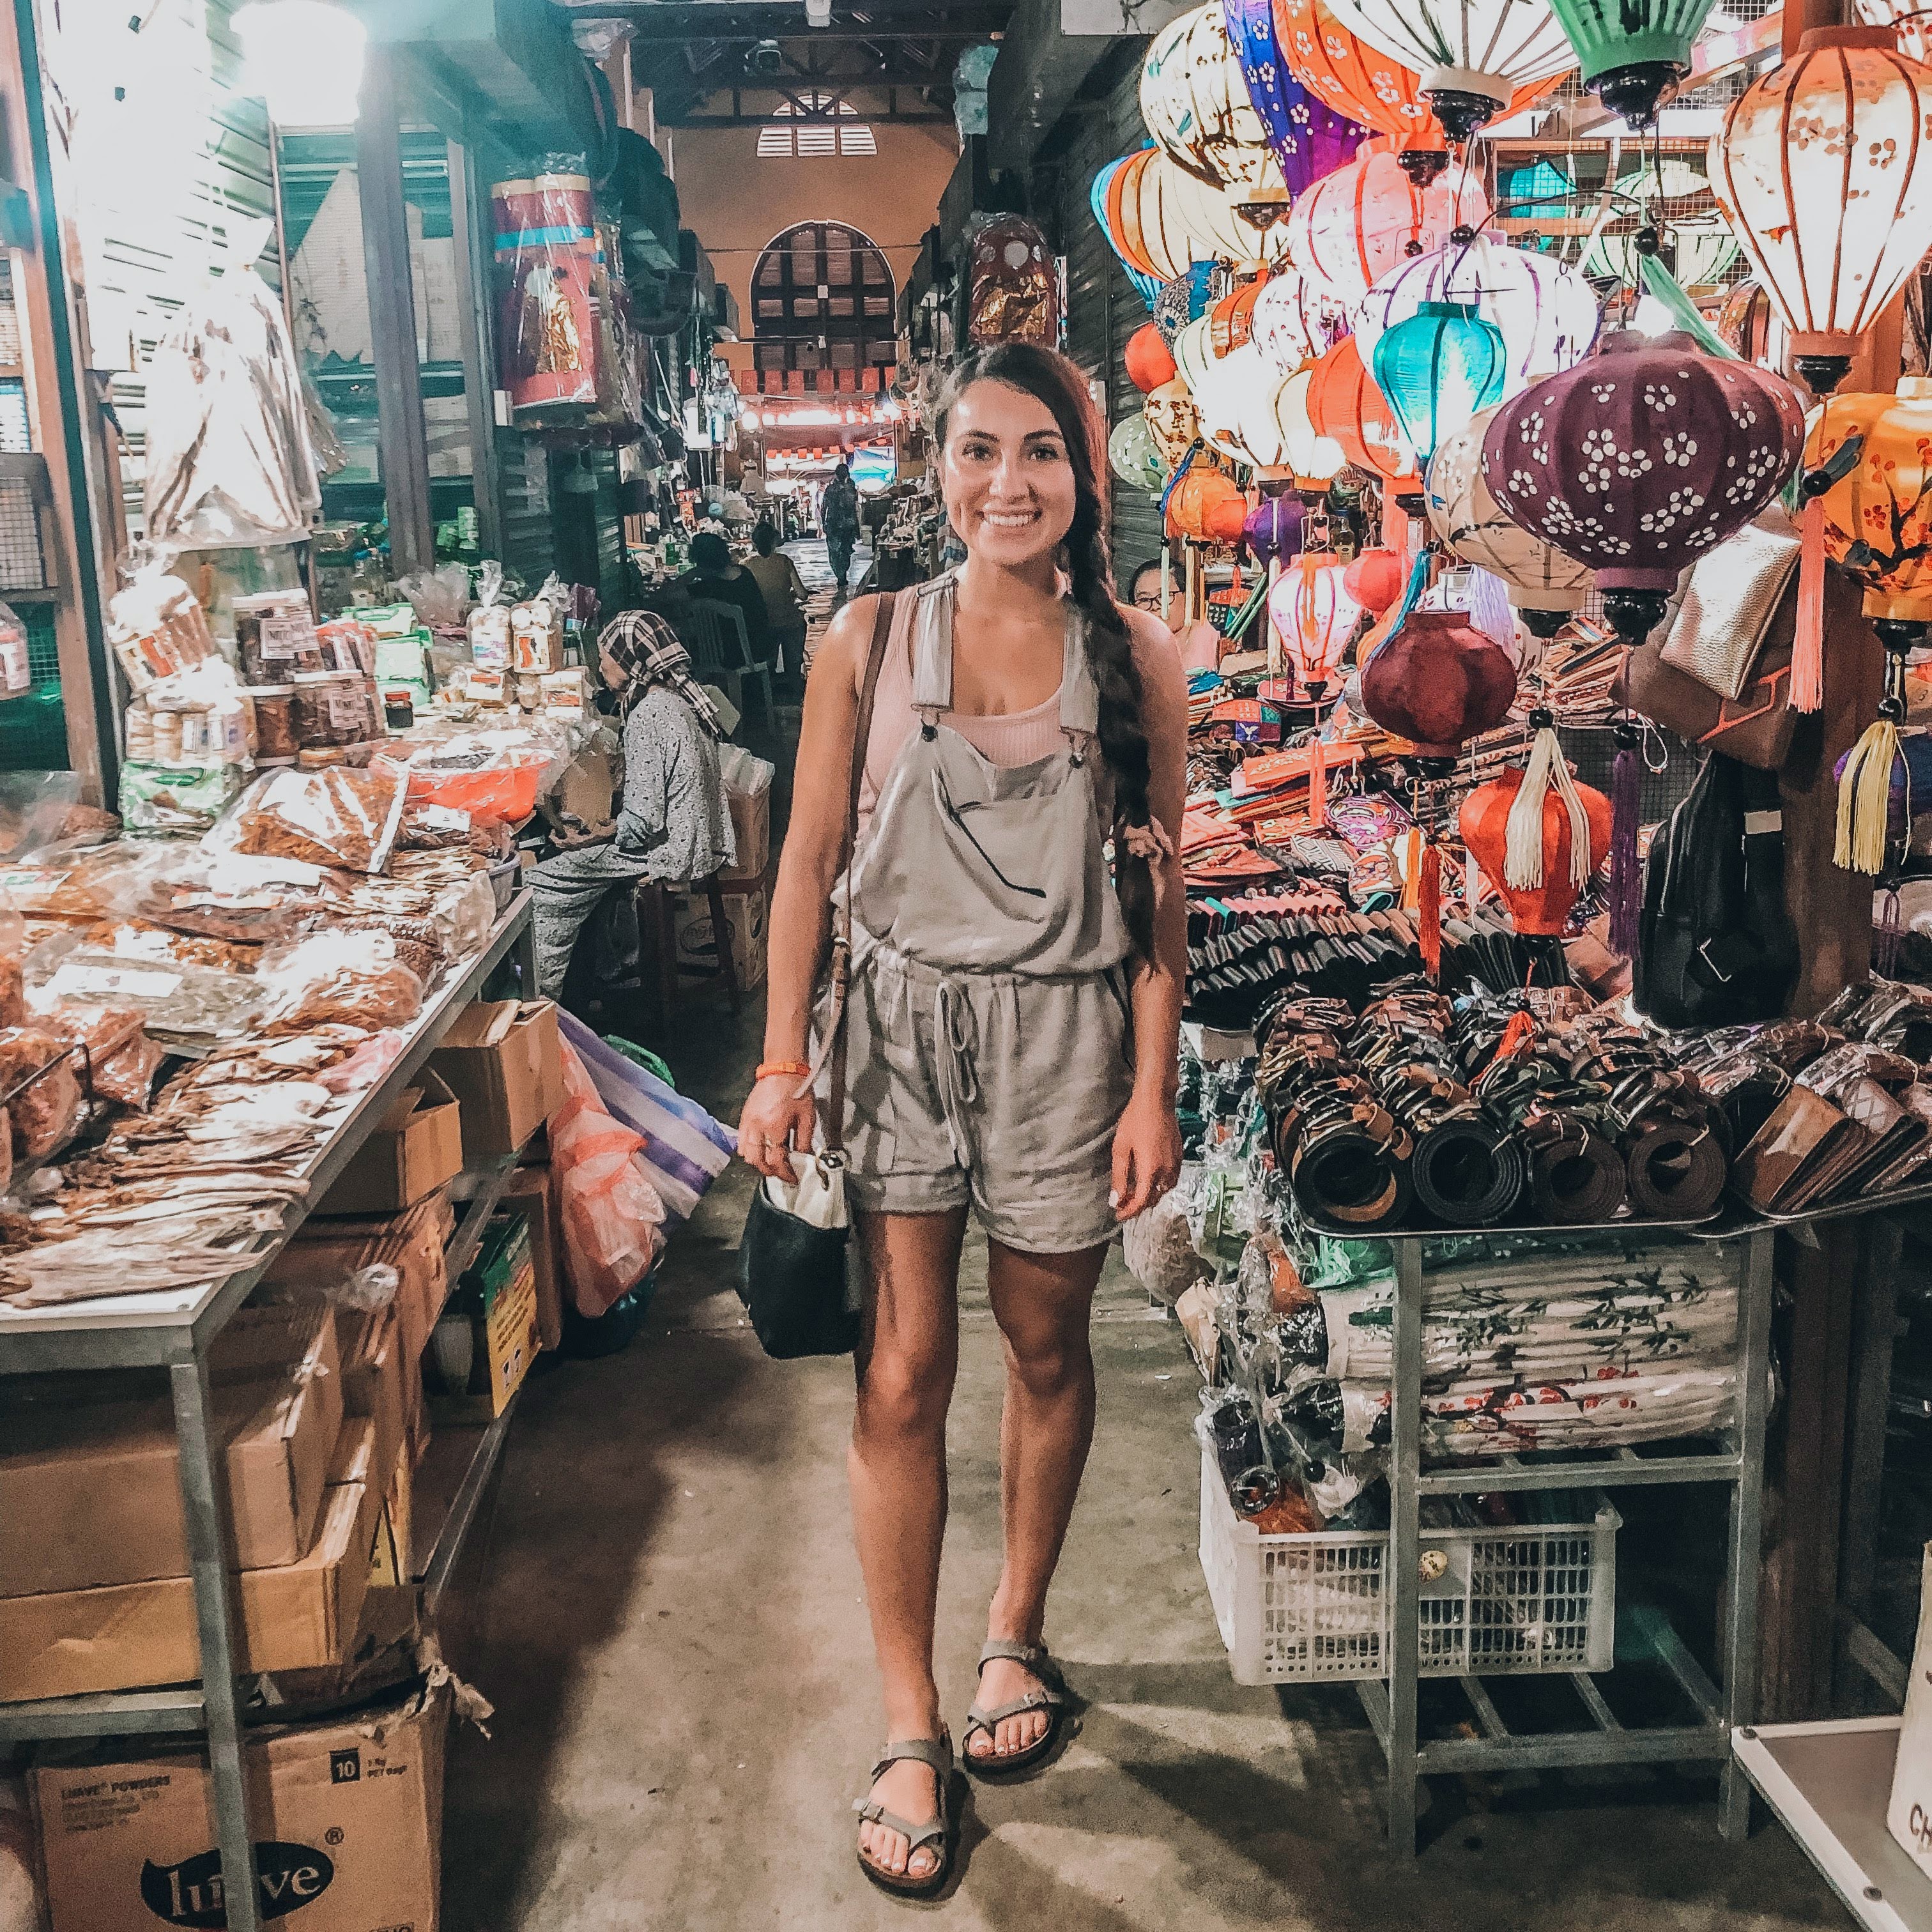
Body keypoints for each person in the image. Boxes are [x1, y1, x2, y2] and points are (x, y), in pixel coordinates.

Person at [738, 342, 1186, 1897]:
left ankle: (1012, 1638)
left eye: (1041, 455)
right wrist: (782, 1058)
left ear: (1084, 477)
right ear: (938, 466)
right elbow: (802, 865)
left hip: (1067, 1037)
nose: (1009, 483)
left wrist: (1154, 1087)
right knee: (904, 1369)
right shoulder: (866, 640)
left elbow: (1156, 899)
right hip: (897, 1034)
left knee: (1047, 1347)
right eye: (980, 451)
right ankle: (910, 1720)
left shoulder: (1138, 656)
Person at [530, 611, 735, 997]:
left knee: (541, 881)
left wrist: (590, 839)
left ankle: (545, 1003)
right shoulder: (680, 699)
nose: (600, 664)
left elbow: (643, 821)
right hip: (701, 840)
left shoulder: (648, 715)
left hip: (673, 852)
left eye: (607, 655)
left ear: (629, 662)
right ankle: (607, 971)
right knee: (590, 875)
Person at [678, 530, 773, 661]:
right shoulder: (745, 574)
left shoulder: (706, 587)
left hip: (727, 655)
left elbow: (663, 596)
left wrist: (692, 574)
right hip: (758, 649)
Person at [742, 520, 809, 677]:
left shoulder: (746, 565)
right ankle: (794, 681)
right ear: (774, 541)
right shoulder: (784, 561)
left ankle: (770, 680)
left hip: (763, 625)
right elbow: (802, 594)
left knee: (768, 660)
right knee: (799, 625)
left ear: (754, 543)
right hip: (789, 622)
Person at [822, 461, 861, 604]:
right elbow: (855, 509)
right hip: (842, 526)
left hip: (838, 526)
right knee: (842, 552)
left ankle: (841, 575)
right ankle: (841, 575)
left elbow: (824, 508)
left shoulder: (836, 489)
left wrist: (823, 523)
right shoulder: (848, 489)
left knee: (839, 552)